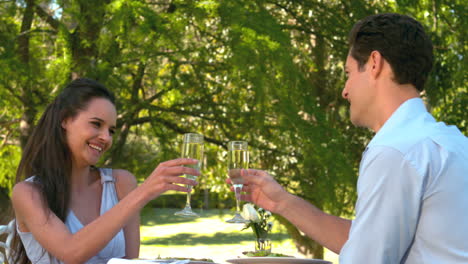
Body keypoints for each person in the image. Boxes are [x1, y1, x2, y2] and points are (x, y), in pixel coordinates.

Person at [235, 13, 468, 263]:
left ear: (374, 63)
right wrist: (283, 202)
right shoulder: (453, 143)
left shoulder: (395, 150)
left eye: (348, 73)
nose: (345, 91)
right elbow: (368, 239)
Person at [10, 78, 199, 264]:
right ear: (65, 120)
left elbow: (130, 262)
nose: (106, 138)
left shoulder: (121, 183)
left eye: (111, 131)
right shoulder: (28, 193)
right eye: (96, 124)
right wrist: (144, 191)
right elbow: (71, 252)